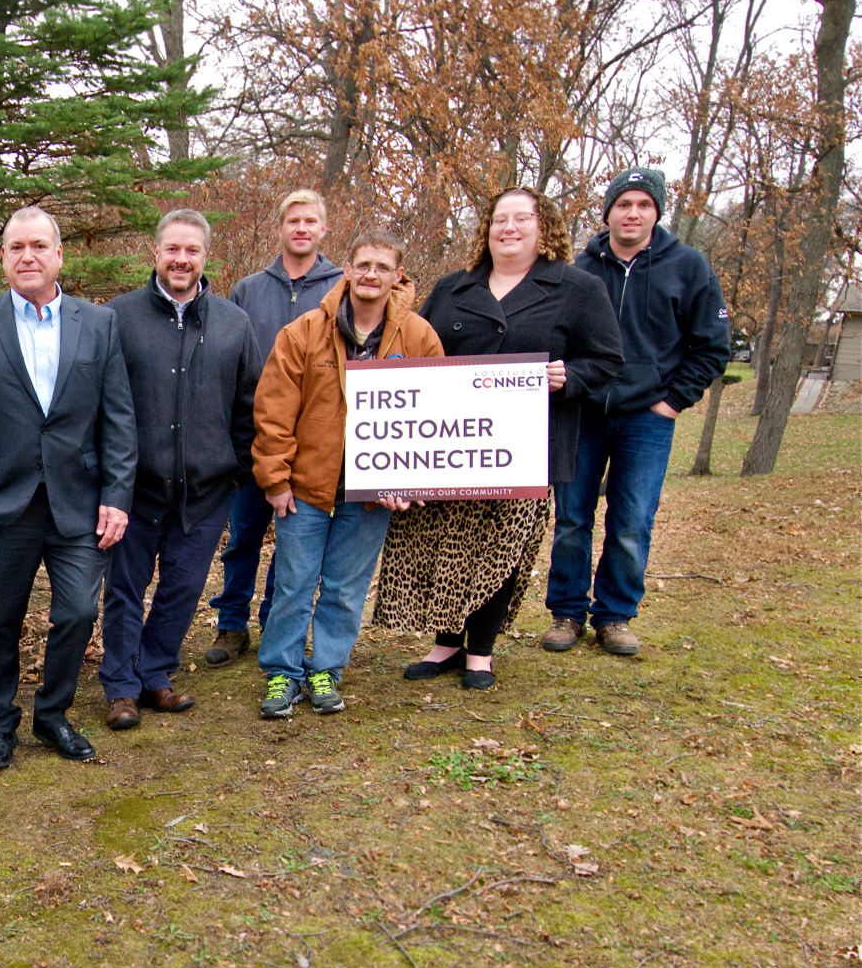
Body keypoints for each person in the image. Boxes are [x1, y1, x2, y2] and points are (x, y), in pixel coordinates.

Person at [374, 187, 622, 689]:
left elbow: (607, 361)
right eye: (498, 220)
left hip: (524, 450)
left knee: (499, 547)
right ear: (486, 230)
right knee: (446, 544)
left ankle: (480, 651)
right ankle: (445, 643)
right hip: (451, 446)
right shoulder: (453, 288)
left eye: (521, 219)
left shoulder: (578, 289)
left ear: (543, 226)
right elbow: (420, 350)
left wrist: (567, 377)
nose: (508, 228)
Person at [0, 206, 136, 768]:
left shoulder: (97, 324)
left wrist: (117, 496)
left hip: (79, 501)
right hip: (2, 500)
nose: (28, 256)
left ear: (58, 256)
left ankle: (52, 716)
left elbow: (118, 418)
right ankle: (0, 723)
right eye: (16, 247)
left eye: (39, 246)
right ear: (2, 257)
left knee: (77, 612)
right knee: (0, 621)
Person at [254, 230, 443, 718]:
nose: (370, 274)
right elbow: (273, 412)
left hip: (371, 493)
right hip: (305, 489)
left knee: (344, 588)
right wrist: (275, 480)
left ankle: (326, 669)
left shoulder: (419, 337)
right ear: (348, 270)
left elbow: (437, 413)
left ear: (397, 275)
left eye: (382, 267)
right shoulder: (304, 332)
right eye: (362, 264)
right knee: (294, 584)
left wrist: (410, 481)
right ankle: (282, 672)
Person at [545, 167, 731, 655]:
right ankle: (566, 613)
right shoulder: (577, 269)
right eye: (623, 204)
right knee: (571, 519)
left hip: (647, 418)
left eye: (643, 205)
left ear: (656, 212)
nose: (632, 213)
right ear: (607, 212)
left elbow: (711, 348)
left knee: (631, 520)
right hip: (580, 414)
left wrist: (671, 402)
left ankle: (614, 616)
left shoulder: (688, 267)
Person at [98, 209, 260, 729]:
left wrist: (233, 469)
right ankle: (121, 687)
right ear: (156, 252)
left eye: (191, 250)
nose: (181, 259)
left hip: (208, 490)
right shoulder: (117, 318)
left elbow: (249, 404)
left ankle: (155, 675)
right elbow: (98, 404)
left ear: (205, 256)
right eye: (172, 249)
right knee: (125, 589)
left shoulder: (234, 323)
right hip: (136, 490)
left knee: (183, 588)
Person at [207, 189, 344, 667]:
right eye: (293, 221)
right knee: (243, 537)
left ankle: (274, 620)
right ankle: (230, 624)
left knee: (292, 544)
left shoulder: (341, 287)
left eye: (310, 221)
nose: (301, 228)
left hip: (314, 444)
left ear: (323, 229)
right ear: (280, 229)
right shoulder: (249, 289)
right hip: (251, 439)